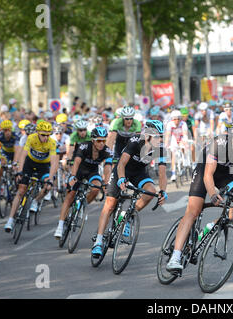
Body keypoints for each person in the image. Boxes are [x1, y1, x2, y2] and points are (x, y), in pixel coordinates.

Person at [166, 117, 233, 272]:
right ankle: (175, 257)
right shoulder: (219, 143)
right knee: (193, 210)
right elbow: (208, 175)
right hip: (205, 170)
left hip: (225, 175)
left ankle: (212, 225)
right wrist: (212, 194)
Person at [91, 120, 168, 258]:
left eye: (161, 136)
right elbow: (121, 163)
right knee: (109, 205)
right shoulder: (135, 141)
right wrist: (121, 178)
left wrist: (163, 191)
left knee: (151, 191)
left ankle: (128, 215)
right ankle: (98, 241)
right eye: (157, 136)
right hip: (123, 170)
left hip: (139, 172)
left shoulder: (160, 148)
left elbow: (162, 173)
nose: (160, 139)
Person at [53, 126, 113, 239]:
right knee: (70, 195)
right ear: (93, 140)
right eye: (99, 140)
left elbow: (108, 167)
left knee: (96, 188)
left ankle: (82, 205)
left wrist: (106, 183)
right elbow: (76, 162)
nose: (101, 143)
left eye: (104, 140)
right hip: (79, 170)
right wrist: (73, 177)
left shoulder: (107, 150)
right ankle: (60, 226)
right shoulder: (84, 146)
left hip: (92, 171)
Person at [3, 121, 58, 232]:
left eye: (48, 135)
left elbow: (54, 163)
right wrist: (19, 171)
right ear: (37, 133)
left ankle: (36, 201)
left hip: (43, 166)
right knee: (21, 190)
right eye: (43, 135)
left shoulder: (52, 142)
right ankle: (10, 220)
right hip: (30, 163)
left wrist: (51, 179)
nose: (46, 138)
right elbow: (23, 155)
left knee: (48, 186)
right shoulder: (31, 138)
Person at [165, 110, 189, 182]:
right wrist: (166, 144)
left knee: (183, 146)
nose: (177, 121)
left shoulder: (183, 124)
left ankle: (184, 158)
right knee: (173, 155)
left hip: (181, 138)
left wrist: (185, 142)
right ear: (172, 119)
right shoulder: (170, 124)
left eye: (178, 119)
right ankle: (173, 173)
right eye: (175, 119)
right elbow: (168, 135)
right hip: (174, 139)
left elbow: (185, 134)